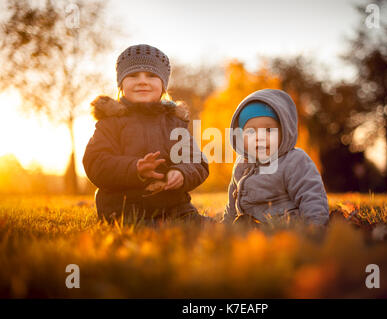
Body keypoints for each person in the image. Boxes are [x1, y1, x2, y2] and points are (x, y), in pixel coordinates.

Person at [83, 44, 209, 224]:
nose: (142, 81)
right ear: (121, 84)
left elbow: (197, 162)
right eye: (133, 75)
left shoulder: (174, 123)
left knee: (207, 229)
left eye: (151, 76)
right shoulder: (111, 122)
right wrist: (135, 168)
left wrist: (181, 173)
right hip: (124, 209)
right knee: (147, 231)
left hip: (174, 207)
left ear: (163, 86)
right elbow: (96, 163)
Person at [221, 89, 329, 226]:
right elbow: (232, 202)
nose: (259, 137)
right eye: (250, 131)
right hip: (251, 229)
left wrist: (315, 227)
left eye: (268, 130)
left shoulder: (294, 161)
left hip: (285, 227)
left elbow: (311, 196)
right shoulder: (242, 164)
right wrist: (225, 226)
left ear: (283, 131)